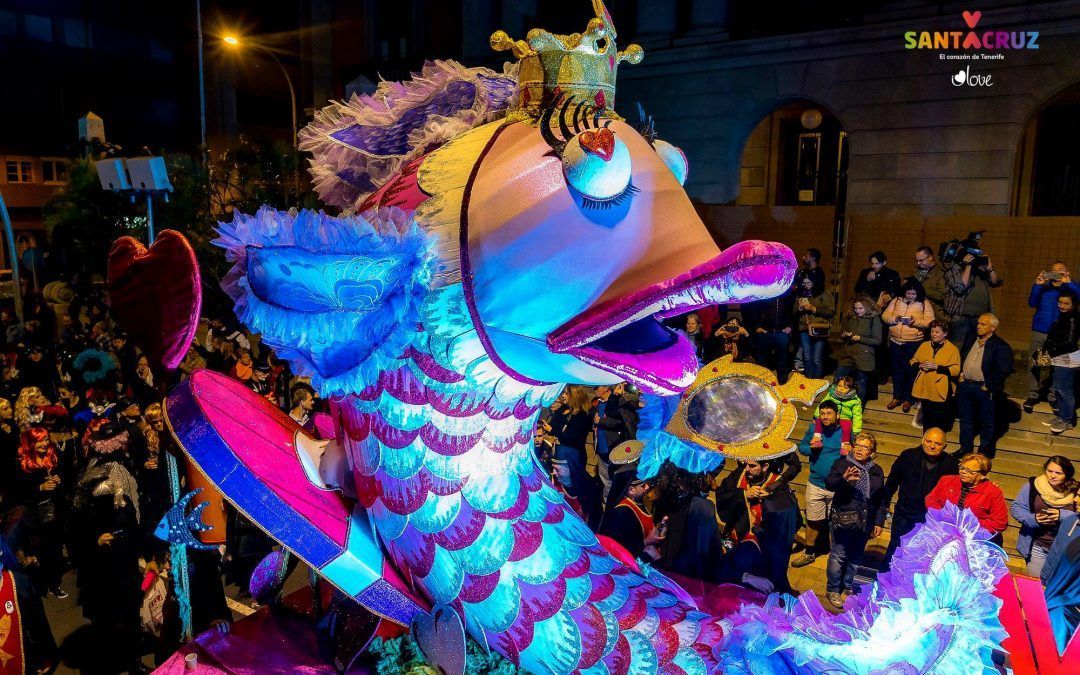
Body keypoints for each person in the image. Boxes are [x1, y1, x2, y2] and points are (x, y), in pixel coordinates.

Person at [714, 455, 802, 594]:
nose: (747, 469)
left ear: (765, 466)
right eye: (746, 464)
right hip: (738, 536)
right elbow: (722, 495)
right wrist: (744, 495)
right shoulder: (739, 475)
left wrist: (771, 501)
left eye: (752, 466)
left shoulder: (778, 484)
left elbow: (791, 519)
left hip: (765, 545)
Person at [880, 428, 959, 569]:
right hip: (905, 515)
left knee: (921, 557)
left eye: (937, 443)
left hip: (932, 520)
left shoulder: (951, 464)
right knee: (895, 550)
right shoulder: (908, 456)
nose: (932, 446)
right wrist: (884, 505)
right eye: (929, 441)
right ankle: (885, 578)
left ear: (945, 445)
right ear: (922, 440)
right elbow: (891, 482)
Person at [824, 432, 886, 609]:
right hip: (844, 517)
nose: (859, 449)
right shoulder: (842, 464)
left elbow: (880, 498)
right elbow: (829, 484)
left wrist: (879, 521)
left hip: (865, 519)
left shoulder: (876, 470)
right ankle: (833, 589)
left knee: (856, 556)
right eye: (857, 445)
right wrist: (843, 479)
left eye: (864, 447)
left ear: (872, 452)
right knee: (839, 555)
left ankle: (848, 585)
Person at [792, 400, 848, 567]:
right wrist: (812, 449)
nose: (825, 416)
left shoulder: (845, 431)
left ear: (837, 415)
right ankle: (809, 553)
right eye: (822, 413)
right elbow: (801, 447)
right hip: (815, 484)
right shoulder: (813, 429)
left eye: (829, 413)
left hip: (838, 486)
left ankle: (835, 556)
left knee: (836, 522)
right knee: (812, 520)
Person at [13, 427, 68, 598]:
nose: (45, 443)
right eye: (40, 441)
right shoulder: (22, 464)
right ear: (31, 443)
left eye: (46, 439)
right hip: (34, 516)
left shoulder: (53, 457)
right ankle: (38, 585)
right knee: (38, 550)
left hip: (54, 512)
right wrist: (40, 488)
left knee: (54, 549)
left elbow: (66, 482)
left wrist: (59, 480)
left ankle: (54, 584)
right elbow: (18, 493)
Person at [1024, 261, 1080, 412]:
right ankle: (1032, 394)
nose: (1057, 272)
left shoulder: (1069, 288)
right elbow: (1032, 302)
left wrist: (1069, 282)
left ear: (1066, 272)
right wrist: (1037, 285)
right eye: (1054, 270)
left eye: (1060, 269)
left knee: (1057, 365)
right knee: (1034, 364)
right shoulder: (1044, 287)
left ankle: (1053, 396)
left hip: (1059, 334)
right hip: (1039, 331)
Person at [1011, 456, 1079, 577]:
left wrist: (1062, 515)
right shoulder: (1033, 486)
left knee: (1055, 584)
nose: (1052, 476)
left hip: (1063, 549)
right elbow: (1016, 508)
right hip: (1038, 544)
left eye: (1058, 473)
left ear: (1067, 474)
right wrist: (1033, 519)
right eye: (1049, 471)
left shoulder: (1076, 491)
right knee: (1035, 582)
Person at [957, 314, 1013, 458]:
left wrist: (989, 384)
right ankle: (965, 448)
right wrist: (961, 374)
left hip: (984, 389)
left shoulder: (1001, 346)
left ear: (993, 328)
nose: (978, 326)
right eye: (978, 323)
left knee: (987, 421)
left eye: (983, 324)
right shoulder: (971, 340)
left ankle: (984, 451)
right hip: (966, 385)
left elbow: (1004, 369)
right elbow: (962, 356)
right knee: (965, 419)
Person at [925, 452, 1008, 545]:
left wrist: (969, 523)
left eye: (970, 471)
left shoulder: (993, 492)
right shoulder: (947, 480)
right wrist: (942, 515)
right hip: (945, 533)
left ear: (982, 474)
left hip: (977, 541)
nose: (963, 472)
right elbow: (931, 500)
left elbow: (1000, 523)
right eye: (962, 467)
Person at [881, 278, 935, 412]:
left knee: (910, 371)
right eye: (908, 293)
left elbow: (930, 322)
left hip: (913, 343)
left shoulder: (924, 303)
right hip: (895, 341)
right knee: (896, 370)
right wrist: (895, 319)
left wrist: (915, 322)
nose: (910, 296)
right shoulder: (896, 300)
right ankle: (896, 397)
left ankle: (908, 399)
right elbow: (885, 316)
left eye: (913, 294)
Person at [599, 473, 665, 563]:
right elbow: (617, 546)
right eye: (643, 486)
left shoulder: (640, 505)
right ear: (631, 490)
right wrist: (646, 541)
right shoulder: (622, 511)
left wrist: (658, 532)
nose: (647, 487)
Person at [944, 250, 1003, 347]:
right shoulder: (954, 271)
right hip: (960, 317)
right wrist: (968, 266)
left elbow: (996, 282)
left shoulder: (980, 272)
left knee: (974, 347)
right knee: (957, 347)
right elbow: (961, 287)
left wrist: (990, 269)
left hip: (980, 318)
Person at [911, 321, 961, 432]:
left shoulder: (952, 349)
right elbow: (913, 360)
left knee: (939, 423)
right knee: (927, 421)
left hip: (941, 391)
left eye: (937, 332)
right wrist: (919, 365)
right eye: (932, 331)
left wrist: (937, 367)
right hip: (925, 389)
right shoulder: (924, 345)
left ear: (945, 333)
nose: (933, 334)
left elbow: (956, 370)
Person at [742, 283, 797, 383]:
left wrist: (790, 326)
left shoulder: (788, 294)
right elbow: (754, 310)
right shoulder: (765, 293)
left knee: (782, 359)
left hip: (782, 332)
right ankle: (763, 382)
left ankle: (782, 383)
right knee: (762, 359)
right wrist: (757, 326)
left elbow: (794, 312)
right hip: (765, 331)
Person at [1043, 287, 1080, 434]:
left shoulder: (1073, 318)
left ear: (1074, 305)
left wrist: (1051, 350)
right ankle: (1061, 417)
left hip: (1068, 357)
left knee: (1065, 390)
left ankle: (1067, 420)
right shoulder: (1063, 316)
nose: (1062, 306)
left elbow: (1069, 342)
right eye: (1060, 302)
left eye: (1066, 303)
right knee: (1058, 388)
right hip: (1060, 356)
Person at [835, 295, 882, 402]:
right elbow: (842, 333)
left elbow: (877, 341)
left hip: (864, 355)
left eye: (860, 308)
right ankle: (836, 403)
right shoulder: (850, 317)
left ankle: (857, 406)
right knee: (839, 378)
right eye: (855, 308)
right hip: (848, 353)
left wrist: (860, 338)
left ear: (867, 307)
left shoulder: (873, 319)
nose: (858, 311)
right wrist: (845, 335)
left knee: (860, 383)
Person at [594, 383, 634, 503]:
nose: (594, 389)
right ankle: (607, 503)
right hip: (601, 448)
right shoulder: (598, 404)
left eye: (597, 387)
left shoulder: (619, 402)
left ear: (606, 387)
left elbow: (622, 423)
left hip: (614, 448)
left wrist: (602, 421)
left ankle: (613, 504)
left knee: (615, 480)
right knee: (605, 480)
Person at [793, 273, 835, 379]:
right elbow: (794, 311)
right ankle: (808, 380)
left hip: (819, 327)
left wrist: (814, 309)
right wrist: (799, 309)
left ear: (814, 282)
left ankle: (816, 381)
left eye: (808, 283)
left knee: (817, 359)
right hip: (804, 328)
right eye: (804, 283)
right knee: (807, 357)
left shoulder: (824, 293)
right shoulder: (801, 293)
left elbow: (831, 312)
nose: (806, 285)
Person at [812, 376, 862, 450]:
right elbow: (822, 404)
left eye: (845, 388)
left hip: (845, 418)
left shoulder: (855, 400)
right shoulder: (831, 394)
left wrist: (856, 430)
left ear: (851, 389)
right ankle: (816, 439)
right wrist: (816, 416)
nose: (841, 389)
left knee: (847, 428)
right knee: (819, 421)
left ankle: (844, 446)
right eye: (839, 386)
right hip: (831, 416)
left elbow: (857, 415)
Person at [913, 245, 947, 322]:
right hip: (917, 312)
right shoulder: (917, 272)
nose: (918, 263)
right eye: (917, 260)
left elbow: (942, 295)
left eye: (921, 260)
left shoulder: (941, 273)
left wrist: (921, 289)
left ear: (930, 257)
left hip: (934, 314)